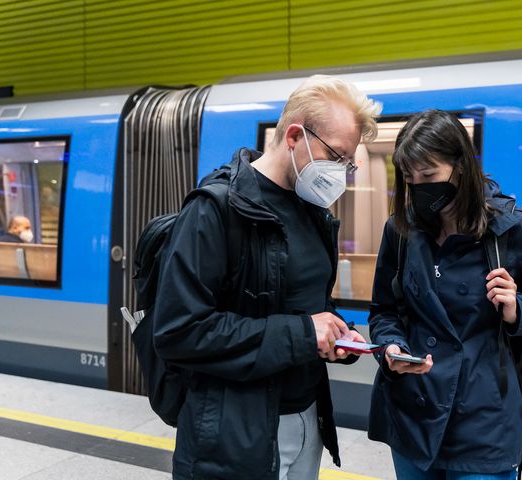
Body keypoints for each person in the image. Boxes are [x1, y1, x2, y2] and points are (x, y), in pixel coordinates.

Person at [152, 75, 381, 480]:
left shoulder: (313, 214)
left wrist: (336, 335)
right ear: (294, 136)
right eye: (337, 157)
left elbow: (306, 308)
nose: (341, 174)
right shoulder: (215, 211)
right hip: (234, 436)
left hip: (305, 418)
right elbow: (178, 331)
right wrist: (303, 333)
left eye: (348, 164)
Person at [367, 110, 522, 479]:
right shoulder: (401, 230)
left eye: (429, 175)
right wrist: (390, 347)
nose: (418, 186)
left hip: (485, 424)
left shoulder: (514, 229)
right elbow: (384, 310)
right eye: (409, 177)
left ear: (460, 166)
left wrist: (516, 309)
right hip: (414, 413)